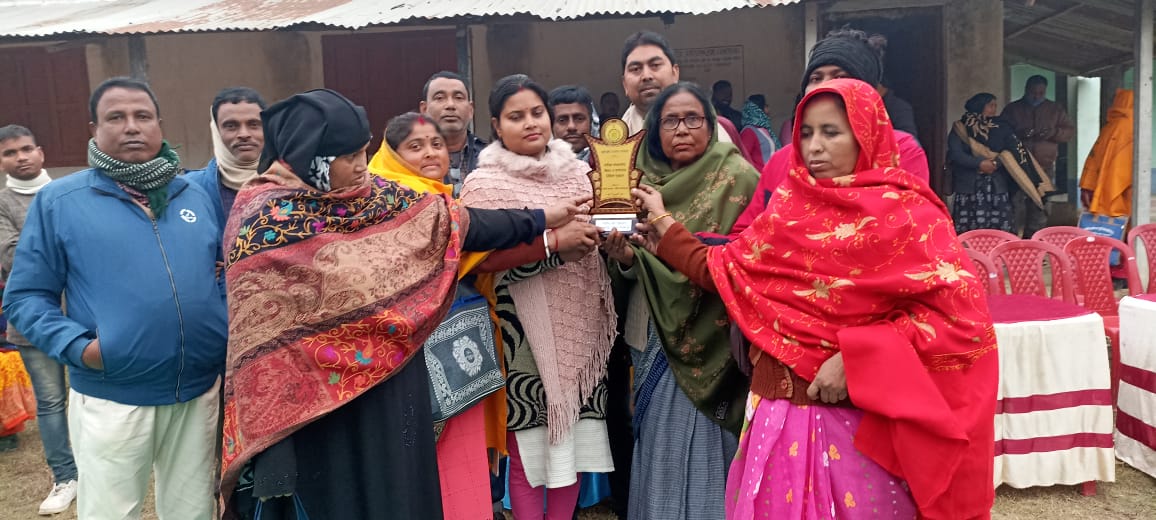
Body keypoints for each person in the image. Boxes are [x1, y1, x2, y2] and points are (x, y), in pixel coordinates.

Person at [629, 78, 998, 519]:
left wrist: (857, 357)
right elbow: (731, 271)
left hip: (857, 424)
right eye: (806, 132)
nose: (814, 146)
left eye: (831, 132)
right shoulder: (789, 207)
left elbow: (961, 324)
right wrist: (666, 231)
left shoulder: (910, 217)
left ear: (867, 135)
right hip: (776, 416)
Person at [219, 89, 593, 520]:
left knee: (395, 492)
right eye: (349, 156)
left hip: (390, 386)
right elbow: (261, 333)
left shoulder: (378, 198)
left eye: (364, 152)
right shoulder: (263, 218)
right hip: (313, 412)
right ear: (313, 160)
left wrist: (543, 217)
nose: (362, 165)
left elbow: (461, 224)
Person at [3, 77, 228, 519]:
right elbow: (26, 296)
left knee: (195, 511)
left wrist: (217, 325)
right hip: (114, 393)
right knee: (112, 511)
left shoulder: (195, 194)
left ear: (160, 125)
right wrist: (82, 349)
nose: (131, 127)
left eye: (143, 116)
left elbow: (217, 271)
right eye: (116, 117)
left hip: (197, 389)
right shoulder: (61, 201)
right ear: (94, 129)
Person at [367, 111, 600, 520]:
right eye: (415, 147)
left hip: (462, 353)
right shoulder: (387, 205)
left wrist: (546, 227)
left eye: (436, 144)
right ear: (391, 156)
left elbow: (481, 235)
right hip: (412, 357)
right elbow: (477, 244)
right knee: (423, 460)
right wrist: (548, 234)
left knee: (464, 459)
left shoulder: (445, 201)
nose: (430, 153)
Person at [459, 75, 616, 520]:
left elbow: (601, 234)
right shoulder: (482, 185)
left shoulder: (581, 174)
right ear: (496, 125)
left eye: (536, 113)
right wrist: (552, 247)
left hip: (583, 329)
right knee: (529, 452)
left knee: (574, 449)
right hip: (520, 333)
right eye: (516, 116)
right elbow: (479, 262)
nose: (530, 123)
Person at [601, 82, 759, 520]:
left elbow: (742, 261)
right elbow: (633, 264)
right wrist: (626, 258)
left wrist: (665, 227)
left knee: (711, 445)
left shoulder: (739, 178)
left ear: (711, 124)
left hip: (714, 340)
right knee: (658, 439)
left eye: (693, 119)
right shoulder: (636, 182)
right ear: (655, 130)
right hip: (652, 330)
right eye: (670, 121)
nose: (682, 129)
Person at [725, 27, 929, 238]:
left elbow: (910, 235)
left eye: (840, 76)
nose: (825, 85)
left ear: (865, 91)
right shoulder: (781, 161)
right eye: (815, 78)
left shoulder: (901, 152)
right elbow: (745, 234)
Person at [0, 124, 79, 514]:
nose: (21, 157)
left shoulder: (71, 191)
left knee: (93, 398)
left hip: (83, 314)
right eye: (10, 152)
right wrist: (64, 247)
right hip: (32, 323)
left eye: (26, 148)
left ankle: (98, 466)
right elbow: (10, 256)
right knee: (51, 402)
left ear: (41, 152)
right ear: (1, 161)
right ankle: (66, 477)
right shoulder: (2, 204)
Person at [948, 93, 1040, 234]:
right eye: (990, 105)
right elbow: (956, 154)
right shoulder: (960, 128)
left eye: (995, 105)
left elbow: (1011, 150)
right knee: (969, 230)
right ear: (979, 106)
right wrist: (979, 164)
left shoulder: (1002, 127)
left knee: (999, 228)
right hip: (969, 186)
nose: (994, 109)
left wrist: (996, 163)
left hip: (997, 185)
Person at [619, 31, 732, 143]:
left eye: (655, 65)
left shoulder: (718, 130)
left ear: (675, 73)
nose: (646, 76)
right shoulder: (615, 141)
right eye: (635, 69)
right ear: (625, 84)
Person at [1000, 75, 1075, 237]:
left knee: (1040, 203)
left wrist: (1052, 133)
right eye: (1033, 93)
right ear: (1026, 90)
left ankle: (1033, 237)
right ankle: (1013, 237)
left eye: (1041, 93)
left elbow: (1069, 131)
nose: (1037, 96)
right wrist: (1020, 133)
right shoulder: (1013, 109)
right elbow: (1000, 131)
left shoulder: (1055, 109)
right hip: (1017, 166)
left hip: (1044, 166)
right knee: (1015, 201)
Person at [186, 87, 267, 227]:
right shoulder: (189, 189)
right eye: (231, 126)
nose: (244, 134)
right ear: (216, 131)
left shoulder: (291, 184)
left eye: (254, 124)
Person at [421, 71, 488, 196]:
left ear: (470, 110)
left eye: (458, 98)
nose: (450, 105)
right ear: (424, 109)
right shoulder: (410, 160)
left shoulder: (492, 158)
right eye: (440, 98)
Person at [1080, 89, 1134, 218]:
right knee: (1124, 217)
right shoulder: (1129, 125)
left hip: (1103, 181)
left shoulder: (1110, 125)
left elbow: (1094, 157)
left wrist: (1087, 184)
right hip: (1121, 184)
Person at [549, 85, 597, 161]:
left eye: (579, 119)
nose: (571, 127)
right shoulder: (537, 165)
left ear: (592, 123)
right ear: (551, 126)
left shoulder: (611, 162)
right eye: (562, 120)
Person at [739, 94, 780, 169]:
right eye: (766, 106)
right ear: (759, 110)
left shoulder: (765, 129)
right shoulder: (749, 131)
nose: (769, 109)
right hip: (760, 175)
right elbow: (743, 158)